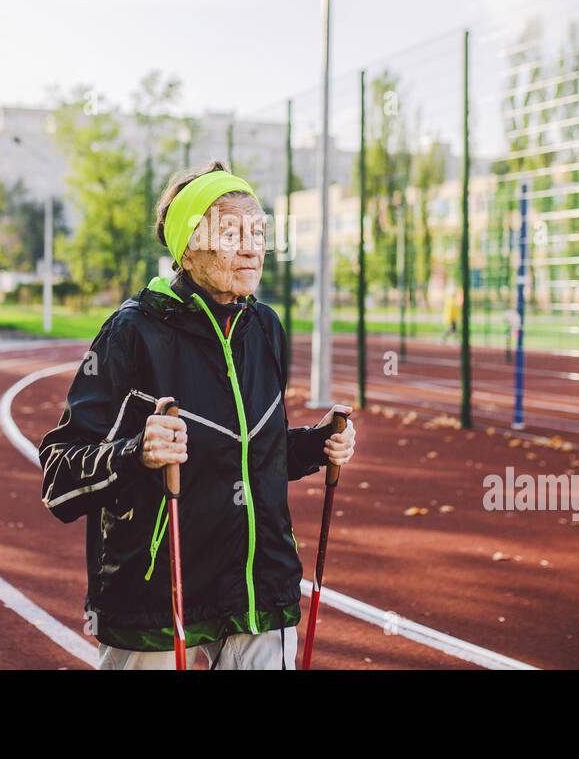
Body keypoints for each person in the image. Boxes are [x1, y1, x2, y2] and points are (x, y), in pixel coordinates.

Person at [38, 161, 356, 669]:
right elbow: (59, 474)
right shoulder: (132, 332)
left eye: (259, 232)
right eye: (231, 234)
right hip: (157, 599)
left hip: (259, 589)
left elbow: (250, 452)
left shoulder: (264, 327)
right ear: (188, 247)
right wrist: (137, 452)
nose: (253, 248)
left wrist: (316, 444)